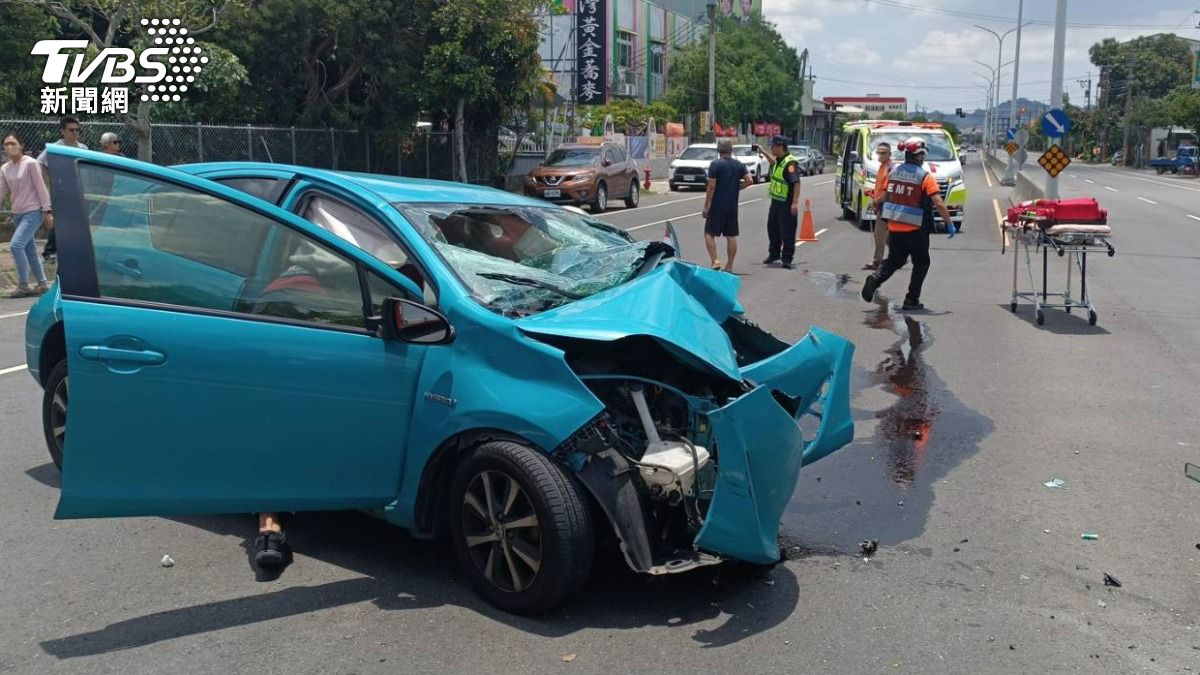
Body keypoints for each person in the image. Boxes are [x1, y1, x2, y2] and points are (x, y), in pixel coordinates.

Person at [861, 137, 954, 311]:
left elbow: (885, 196)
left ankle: (875, 278)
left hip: (895, 226)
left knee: (895, 260)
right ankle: (911, 299)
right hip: (916, 228)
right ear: (920, 156)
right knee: (922, 263)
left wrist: (876, 204)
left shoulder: (893, 172)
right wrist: (949, 223)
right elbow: (939, 203)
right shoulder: (925, 177)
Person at [1, 132, 53, 298]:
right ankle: (43, 283)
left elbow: (41, 187)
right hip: (17, 213)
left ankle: (23, 285)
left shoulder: (30, 163)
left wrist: (47, 211)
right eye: (6, 144)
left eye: (13, 143)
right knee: (29, 249)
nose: (9, 147)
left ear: (21, 145)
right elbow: (1, 192)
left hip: (33, 212)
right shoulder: (5, 168)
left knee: (16, 245)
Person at [37, 117, 88, 263]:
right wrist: (49, 182)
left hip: (77, 188)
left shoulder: (83, 148)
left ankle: (73, 250)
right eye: (71, 130)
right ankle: (50, 252)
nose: (75, 133)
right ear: (62, 131)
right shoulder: (55, 148)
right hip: (60, 188)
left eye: (77, 130)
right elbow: (40, 163)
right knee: (58, 221)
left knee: (77, 221)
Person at [702, 139, 752, 272]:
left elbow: (711, 186)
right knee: (731, 236)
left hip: (717, 205)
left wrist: (707, 205)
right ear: (731, 150)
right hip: (732, 206)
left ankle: (715, 260)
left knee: (709, 233)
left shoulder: (715, 165)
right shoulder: (739, 165)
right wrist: (738, 187)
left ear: (719, 150)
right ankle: (729, 265)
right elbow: (749, 180)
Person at [760, 135, 802, 269]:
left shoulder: (790, 163)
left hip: (787, 203)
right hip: (776, 202)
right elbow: (773, 162)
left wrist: (794, 202)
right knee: (772, 228)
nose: (771, 148)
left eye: (772, 146)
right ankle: (774, 253)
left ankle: (787, 258)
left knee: (787, 231)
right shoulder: (780, 160)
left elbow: (796, 183)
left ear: (780, 146)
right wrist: (763, 152)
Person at [863, 142, 893, 270]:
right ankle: (900, 254)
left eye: (883, 153)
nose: (880, 155)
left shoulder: (890, 168)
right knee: (886, 236)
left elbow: (887, 190)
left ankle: (877, 261)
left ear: (889, 154)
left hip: (886, 206)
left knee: (879, 234)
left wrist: (878, 201)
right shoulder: (882, 167)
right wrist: (874, 198)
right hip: (882, 205)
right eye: (878, 152)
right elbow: (879, 188)